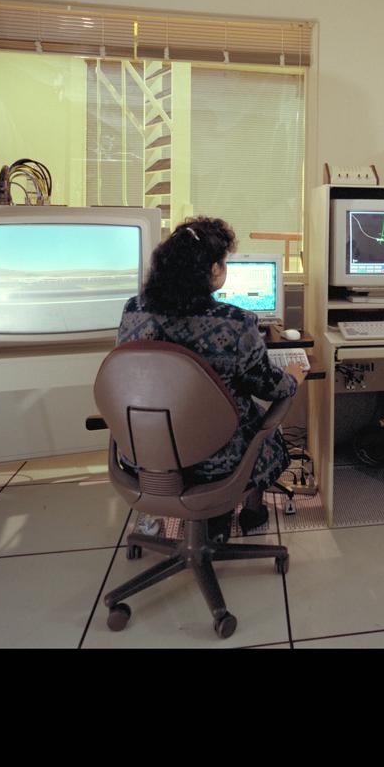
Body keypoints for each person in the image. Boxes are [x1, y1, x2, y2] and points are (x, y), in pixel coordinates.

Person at [117, 216, 306, 536]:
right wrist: (292, 377)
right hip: (218, 463)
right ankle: (251, 510)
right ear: (215, 270)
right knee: (263, 426)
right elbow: (269, 386)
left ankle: (200, 518)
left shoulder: (133, 310)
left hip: (146, 457)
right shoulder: (235, 322)